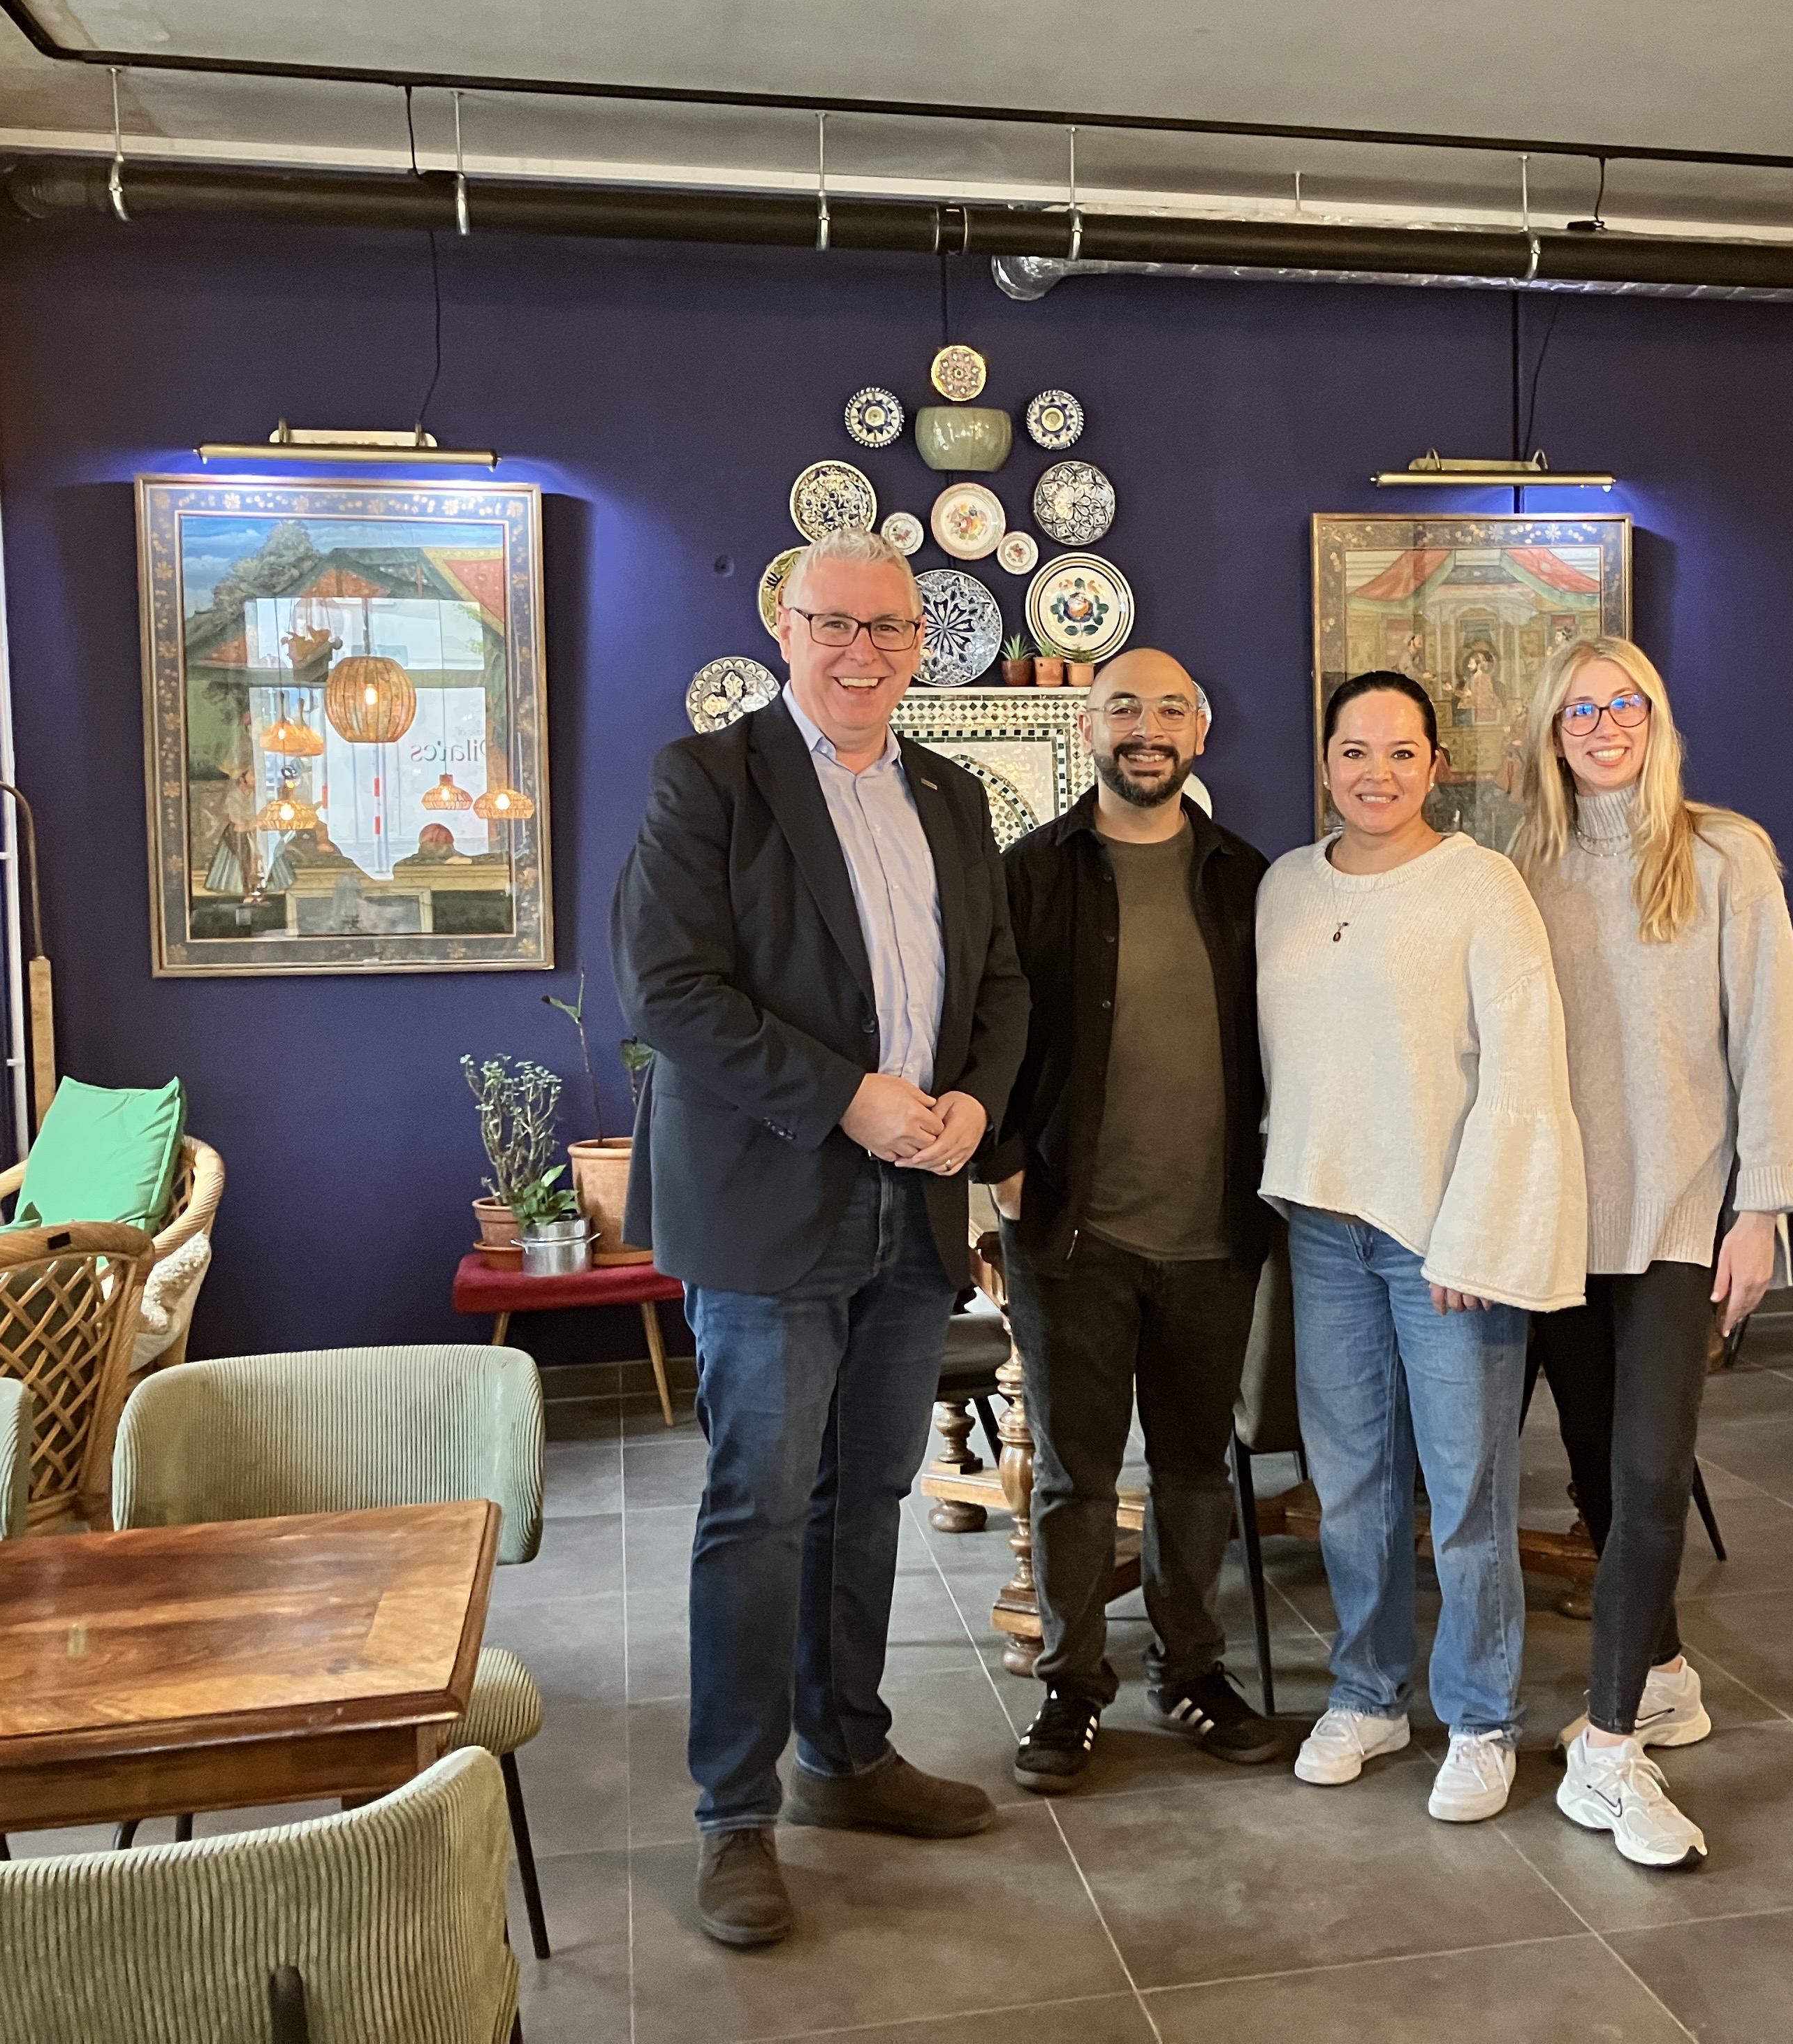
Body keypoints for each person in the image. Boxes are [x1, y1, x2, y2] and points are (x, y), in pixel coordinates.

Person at [613, 527, 1030, 1948]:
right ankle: (735, 1812)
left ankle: (846, 1753)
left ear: (922, 646)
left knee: (868, 1495)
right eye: (835, 624)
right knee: (760, 1503)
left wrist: (976, 1103)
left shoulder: (952, 795)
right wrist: (851, 1097)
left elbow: (1001, 983)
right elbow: (671, 991)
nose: (863, 651)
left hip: (914, 1204)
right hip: (770, 1201)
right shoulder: (709, 781)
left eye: (889, 629)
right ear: (785, 629)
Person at [1256, 669, 1586, 1825]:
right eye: (1355, 750)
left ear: (1437, 765)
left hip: (1447, 1237)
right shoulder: (1285, 887)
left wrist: (1480, 1233)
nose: (1377, 773)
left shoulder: (1483, 887)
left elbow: (1526, 1070)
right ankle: (1369, 1695)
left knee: (1466, 1489)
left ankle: (1483, 1718)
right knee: (1349, 1485)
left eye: (1402, 752)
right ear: (1326, 763)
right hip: (1322, 1224)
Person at [1508, 636, 1793, 1872]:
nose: (1604, 726)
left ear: (1658, 716)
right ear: (1551, 731)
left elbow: (1773, 1036)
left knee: (1647, 1478)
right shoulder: (1522, 867)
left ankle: (1611, 1745)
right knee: (1594, 1472)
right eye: (1579, 710)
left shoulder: (1728, 855)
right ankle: (1669, 1673)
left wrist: (1763, 1205)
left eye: (1624, 703)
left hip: (1683, 1217)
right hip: (1563, 1223)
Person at [982, 647, 1278, 1790]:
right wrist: (1005, 1165)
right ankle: (1070, 1686)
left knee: (1197, 1473)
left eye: (1167, 709)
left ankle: (1191, 1668)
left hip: (1216, 1232)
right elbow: (980, 1026)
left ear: (1200, 730)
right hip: (1073, 1235)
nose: (1145, 728)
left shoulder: (1250, 879)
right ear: (1087, 728)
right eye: (1121, 708)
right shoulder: (1030, 875)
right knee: (1076, 1479)